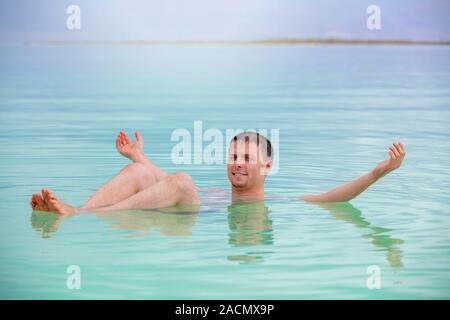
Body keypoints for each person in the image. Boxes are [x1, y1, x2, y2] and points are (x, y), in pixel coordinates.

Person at [30, 130, 405, 214]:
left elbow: (331, 198)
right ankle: (77, 210)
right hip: (183, 213)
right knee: (143, 174)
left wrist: (379, 173)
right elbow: (162, 183)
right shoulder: (214, 195)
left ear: (267, 166)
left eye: (247, 157)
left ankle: (78, 215)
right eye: (233, 156)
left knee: (179, 179)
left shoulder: (275, 201)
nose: (238, 162)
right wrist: (139, 158)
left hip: (186, 225)